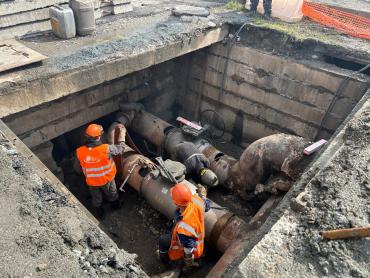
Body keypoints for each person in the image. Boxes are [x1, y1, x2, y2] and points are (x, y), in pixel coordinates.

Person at [76, 123, 126, 219]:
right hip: (106, 180)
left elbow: (77, 169)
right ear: (98, 137)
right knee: (112, 194)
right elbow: (121, 149)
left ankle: (100, 214)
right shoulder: (106, 149)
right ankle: (116, 206)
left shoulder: (80, 151)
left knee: (96, 198)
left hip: (92, 182)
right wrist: (122, 135)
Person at [159, 183, 210, 271]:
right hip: (197, 238)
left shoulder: (184, 227)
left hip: (192, 247)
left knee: (163, 240)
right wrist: (203, 194)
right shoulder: (197, 200)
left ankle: (167, 263)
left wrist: (188, 260)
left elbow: (188, 248)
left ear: (177, 204)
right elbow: (207, 205)